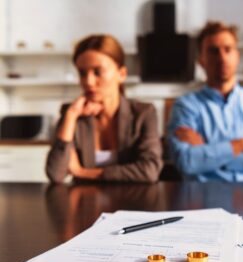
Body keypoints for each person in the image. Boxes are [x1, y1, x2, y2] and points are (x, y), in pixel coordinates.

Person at [168, 21, 243, 182]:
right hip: (204, 199)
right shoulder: (185, 106)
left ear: (237, 56)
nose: (222, 57)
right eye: (213, 51)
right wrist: (240, 146)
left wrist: (207, 154)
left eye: (228, 49)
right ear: (201, 61)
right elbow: (187, 161)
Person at [46, 34, 162, 183]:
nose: (88, 81)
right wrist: (71, 116)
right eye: (82, 73)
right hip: (85, 203)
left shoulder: (143, 113)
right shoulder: (72, 113)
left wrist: (82, 173)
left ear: (121, 74)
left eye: (97, 72)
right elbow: (55, 174)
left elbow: (149, 171)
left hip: (130, 202)